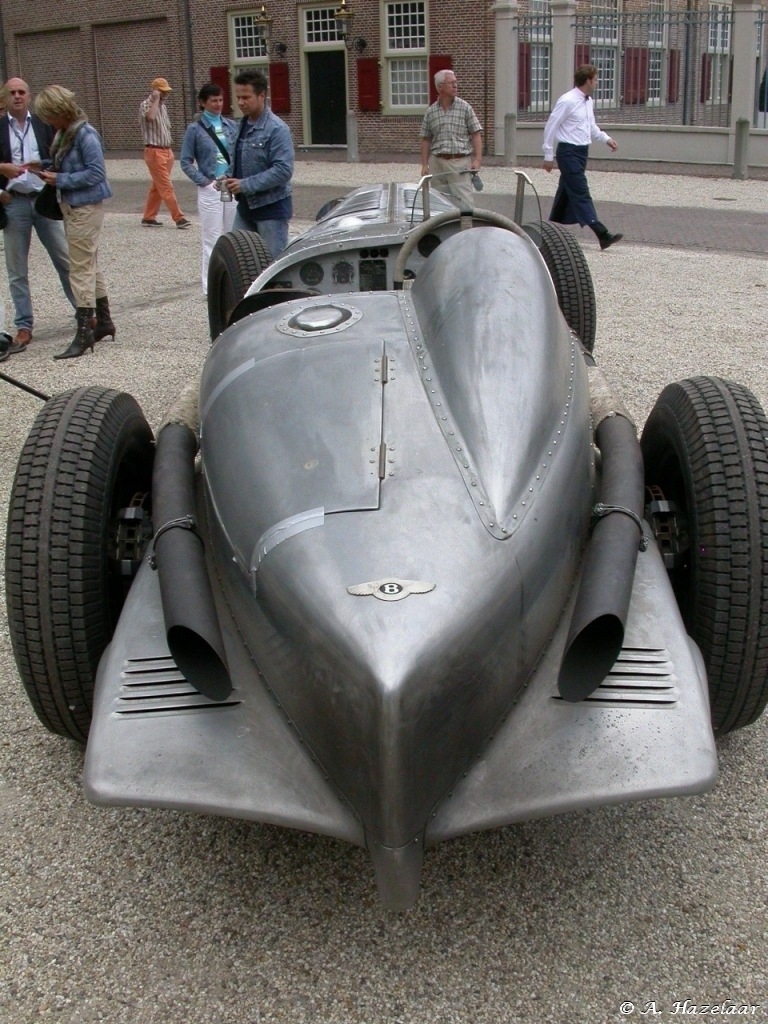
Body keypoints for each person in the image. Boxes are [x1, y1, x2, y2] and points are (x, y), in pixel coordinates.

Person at [33, 85, 114, 360]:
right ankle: (104, 321)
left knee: (79, 268)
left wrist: (61, 180)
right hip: (73, 204)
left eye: (48, 116)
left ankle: (84, 331)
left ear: (59, 112)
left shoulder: (85, 134)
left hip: (85, 206)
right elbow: (68, 164)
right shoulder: (66, 133)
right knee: (89, 263)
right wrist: (44, 166)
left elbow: (96, 173)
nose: (47, 122)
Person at [0, 77, 75, 353]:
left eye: (22, 92)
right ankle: (23, 325)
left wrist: (45, 169)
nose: (18, 97)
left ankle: (84, 314)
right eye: (12, 93)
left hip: (43, 200)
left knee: (64, 260)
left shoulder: (44, 124)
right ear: (5, 98)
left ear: (29, 96)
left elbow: (60, 157)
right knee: (16, 269)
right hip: (14, 202)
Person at [542, 65, 622, 250]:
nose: (597, 82)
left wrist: (606, 139)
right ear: (587, 80)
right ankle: (602, 233)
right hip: (568, 152)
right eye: (595, 79)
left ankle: (550, 230)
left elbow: (591, 126)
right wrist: (548, 155)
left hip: (581, 153)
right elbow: (551, 126)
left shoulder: (588, 101)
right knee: (580, 191)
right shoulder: (567, 101)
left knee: (566, 192)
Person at [223, 69, 294, 259]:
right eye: (238, 97)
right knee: (239, 262)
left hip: (271, 209)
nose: (240, 102)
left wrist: (244, 184)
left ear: (262, 95)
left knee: (272, 268)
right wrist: (228, 178)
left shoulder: (277, 129)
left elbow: (283, 170)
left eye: (246, 97)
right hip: (245, 208)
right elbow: (238, 158)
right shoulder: (241, 125)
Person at [180, 83, 238, 294]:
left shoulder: (232, 126)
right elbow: (185, 161)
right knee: (211, 237)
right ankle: (210, 286)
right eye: (213, 100)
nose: (218, 104)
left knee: (233, 233)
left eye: (220, 100)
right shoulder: (194, 130)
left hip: (230, 184)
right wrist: (203, 181)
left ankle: (233, 281)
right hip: (210, 185)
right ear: (203, 103)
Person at [419, 70, 482, 210]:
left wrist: (477, 160)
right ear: (440, 87)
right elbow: (426, 139)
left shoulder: (465, 108)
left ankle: (467, 230)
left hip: (459, 162)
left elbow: (476, 134)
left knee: (465, 204)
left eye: (455, 82)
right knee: (440, 202)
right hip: (437, 162)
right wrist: (424, 164)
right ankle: (447, 231)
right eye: (451, 83)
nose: (455, 85)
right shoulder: (431, 112)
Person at [139, 77, 191, 229]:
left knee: (158, 186)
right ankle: (179, 217)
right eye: (162, 92)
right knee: (166, 186)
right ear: (155, 91)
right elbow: (150, 117)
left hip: (166, 151)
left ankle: (148, 217)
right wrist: (155, 100)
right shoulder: (146, 105)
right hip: (154, 151)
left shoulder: (163, 107)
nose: (165, 95)